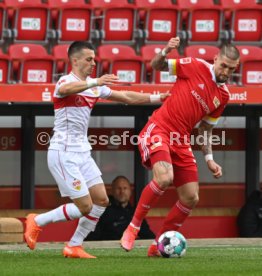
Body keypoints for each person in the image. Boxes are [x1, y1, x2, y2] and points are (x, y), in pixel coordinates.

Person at [24, 41, 169, 259]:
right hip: (63, 152)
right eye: (88, 59)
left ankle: (74, 245)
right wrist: (95, 81)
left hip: (82, 152)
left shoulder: (94, 86)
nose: (93, 63)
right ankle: (37, 220)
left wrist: (158, 99)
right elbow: (65, 90)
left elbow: (126, 97)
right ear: (74, 60)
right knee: (84, 206)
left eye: (94, 59)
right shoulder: (66, 81)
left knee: (101, 200)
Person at [120, 37, 240, 257]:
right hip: (160, 128)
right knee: (164, 178)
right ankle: (133, 227)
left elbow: (205, 129)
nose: (226, 71)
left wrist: (209, 159)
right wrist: (165, 50)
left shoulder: (223, 96)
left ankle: (159, 244)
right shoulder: (194, 65)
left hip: (181, 139)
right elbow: (156, 66)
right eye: (223, 65)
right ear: (215, 59)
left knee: (191, 197)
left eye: (231, 69)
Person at [87, 175, 155, 241]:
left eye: (125, 188)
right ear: (112, 191)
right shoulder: (103, 210)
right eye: (118, 188)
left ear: (130, 191)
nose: (122, 191)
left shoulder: (135, 212)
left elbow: (147, 235)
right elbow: (93, 238)